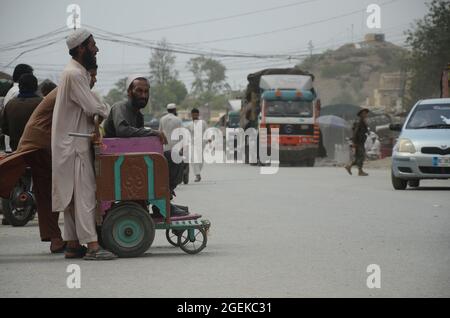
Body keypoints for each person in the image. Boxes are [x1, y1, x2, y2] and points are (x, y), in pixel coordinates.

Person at [0, 67, 99, 252]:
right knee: (60, 189)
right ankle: (70, 240)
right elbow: (91, 113)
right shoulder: (68, 91)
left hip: (28, 145)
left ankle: (59, 239)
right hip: (43, 145)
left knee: (46, 192)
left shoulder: (12, 103)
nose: (93, 80)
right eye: (91, 76)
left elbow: (4, 127)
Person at [52, 28, 115, 260]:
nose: (96, 49)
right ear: (81, 48)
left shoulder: (74, 72)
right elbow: (93, 108)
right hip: (75, 146)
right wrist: (107, 108)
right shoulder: (75, 74)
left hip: (69, 144)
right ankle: (92, 246)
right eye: (93, 45)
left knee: (72, 198)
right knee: (85, 196)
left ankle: (72, 244)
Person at [103, 75, 165, 140]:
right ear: (129, 92)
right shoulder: (119, 107)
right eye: (139, 91)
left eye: (146, 91)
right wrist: (153, 132)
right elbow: (123, 131)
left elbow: (138, 137)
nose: (143, 96)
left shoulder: (139, 116)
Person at [1, 74, 42, 151]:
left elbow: (5, 129)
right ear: (36, 87)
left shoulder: (10, 104)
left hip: (16, 149)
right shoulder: (42, 103)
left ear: (19, 87)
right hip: (36, 149)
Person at [3, 64, 34, 153]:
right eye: (30, 75)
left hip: (12, 142)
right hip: (17, 144)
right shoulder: (17, 92)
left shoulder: (13, 90)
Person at [345, 108, 370, 176]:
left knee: (359, 157)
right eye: (364, 113)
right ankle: (360, 171)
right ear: (361, 114)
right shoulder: (360, 122)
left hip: (361, 142)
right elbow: (355, 133)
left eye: (366, 113)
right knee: (361, 156)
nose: (366, 114)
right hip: (358, 142)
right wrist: (354, 143)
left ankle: (349, 166)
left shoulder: (363, 122)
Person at [187, 108, 208, 182]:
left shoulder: (203, 123)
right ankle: (197, 175)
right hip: (192, 144)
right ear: (191, 115)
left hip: (202, 143)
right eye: (193, 114)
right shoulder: (189, 125)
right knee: (193, 159)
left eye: (196, 114)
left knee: (200, 160)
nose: (195, 115)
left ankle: (198, 172)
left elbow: (206, 131)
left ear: (198, 114)